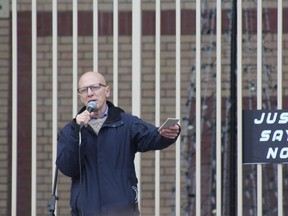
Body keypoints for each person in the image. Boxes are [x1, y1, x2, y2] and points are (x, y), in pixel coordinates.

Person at [56, 71, 181, 216]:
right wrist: (76, 131)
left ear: (107, 91)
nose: (90, 93)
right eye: (84, 90)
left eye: (95, 87)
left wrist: (165, 135)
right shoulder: (71, 130)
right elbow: (67, 167)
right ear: (80, 97)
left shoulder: (125, 123)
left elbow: (151, 137)